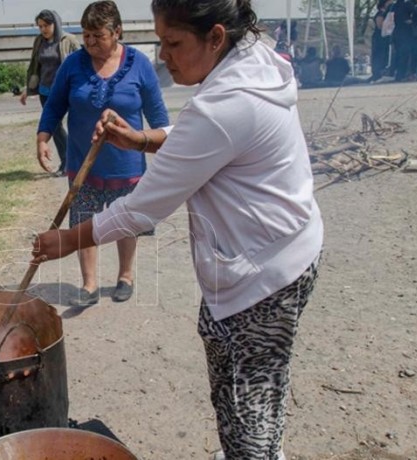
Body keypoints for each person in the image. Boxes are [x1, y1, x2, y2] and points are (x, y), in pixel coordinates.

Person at [32, 1, 323, 459]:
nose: (163, 55)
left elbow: (142, 208)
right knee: (246, 394)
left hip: (265, 276)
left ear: (216, 37)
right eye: (159, 40)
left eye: (173, 43)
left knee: (251, 414)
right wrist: (141, 139)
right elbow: (200, 138)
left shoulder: (228, 103)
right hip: (275, 253)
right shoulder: (253, 61)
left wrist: (67, 240)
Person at [37, 0, 169, 308]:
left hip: (127, 164)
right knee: (83, 222)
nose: (91, 43)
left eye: (99, 35)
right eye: (86, 36)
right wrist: (43, 137)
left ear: (117, 31)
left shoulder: (138, 64)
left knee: (126, 222)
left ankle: (125, 276)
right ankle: (90, 283)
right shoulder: (72, 64)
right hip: (83, 161)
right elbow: (55, 104)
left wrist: (164, 146)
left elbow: (157, 114)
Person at [21, 9, 81, 176]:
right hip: (45, 91)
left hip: (65, 90)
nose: (43, 29)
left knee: (68, 125)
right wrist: (29, 89)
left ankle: (73, 161)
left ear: (56, 23)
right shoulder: (39, 41)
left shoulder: (68, 40)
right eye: (40, 26)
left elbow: (82, 62)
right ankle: (67, 162)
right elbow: (34, 66)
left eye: (46, 25)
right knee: (54, 127)